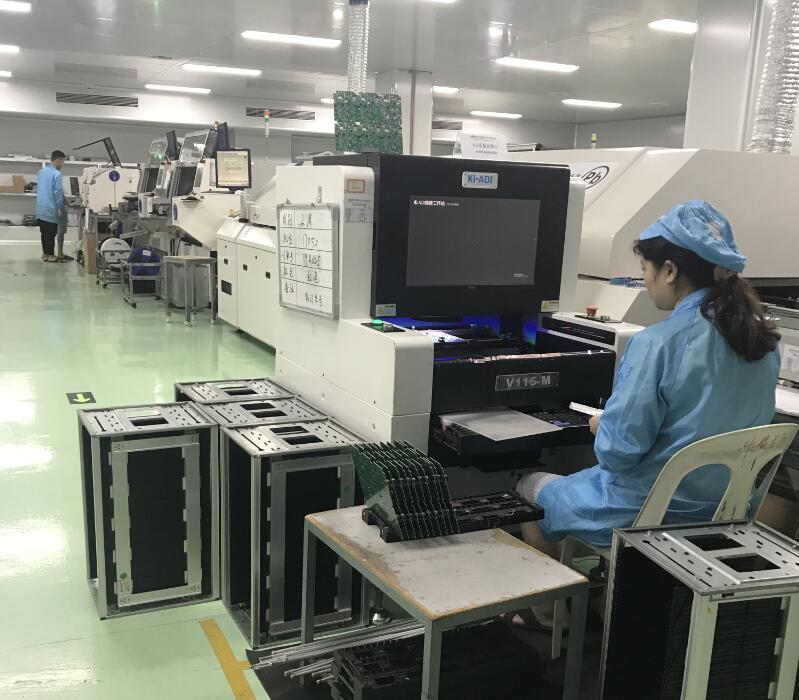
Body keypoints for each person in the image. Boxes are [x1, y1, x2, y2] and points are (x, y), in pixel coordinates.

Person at [516, 200, 780, 623]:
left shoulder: (657, 345)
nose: (645, 280)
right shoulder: (763, 345)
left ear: (669, 270)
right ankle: (605, 605)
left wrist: (602, 426)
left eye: (644, 270)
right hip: (725, 512)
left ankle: (550, 619)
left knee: (530, 488)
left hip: (644, 515)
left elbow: (619, 454)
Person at [36, 150, 67, 263]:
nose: (63, 164)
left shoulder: (41, 172)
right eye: (63, 161)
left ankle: (45, 254)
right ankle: (50, 255)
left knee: (44, 233)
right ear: (58, 160)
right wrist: (60, 207)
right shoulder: (57, 174)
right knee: (51, 233)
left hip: (40, 208)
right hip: (51, 208)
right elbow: (57, 192)